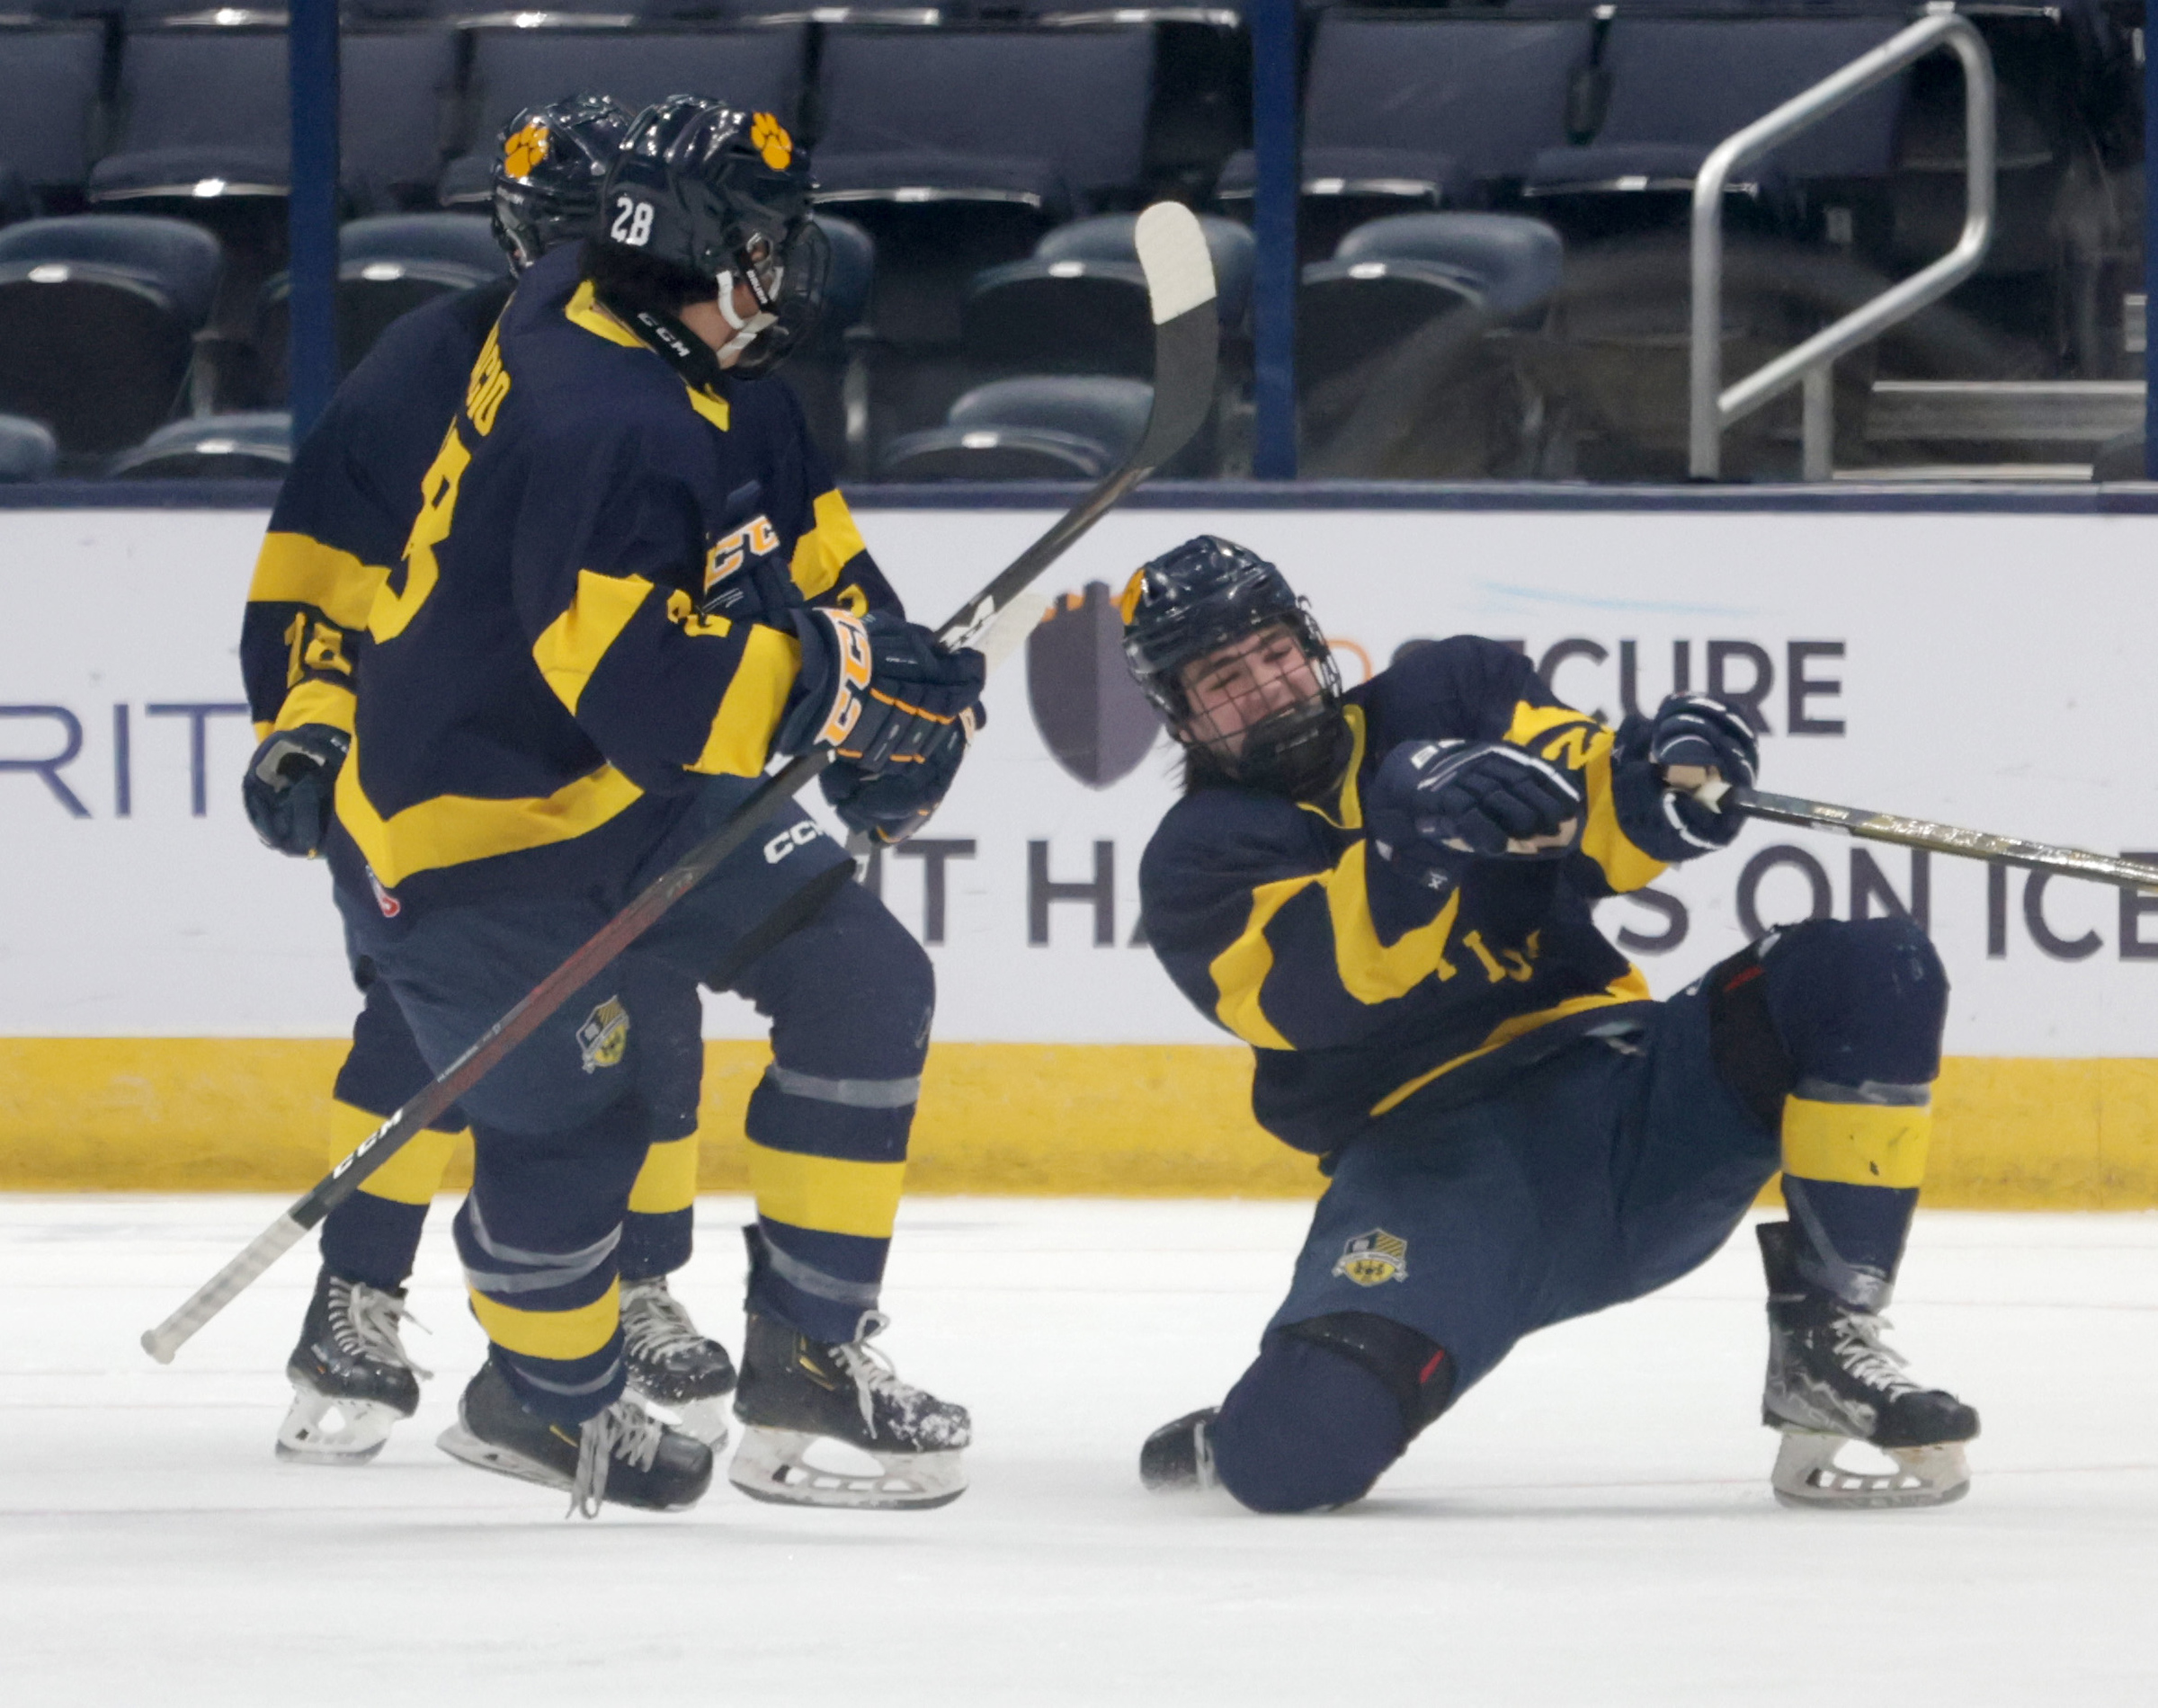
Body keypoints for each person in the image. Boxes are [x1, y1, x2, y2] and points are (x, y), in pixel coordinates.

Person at [304, 94, 979, 1516]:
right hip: (471, 839)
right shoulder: (597, 414)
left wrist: (887, 673)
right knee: (575, 1134)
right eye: (764, 245)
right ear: (691, 249)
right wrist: (834, 690)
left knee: (865, 980)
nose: (784, 271)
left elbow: (810, 562)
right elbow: (641, 689)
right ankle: (540, 1403)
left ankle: (808, 1358)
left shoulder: (671, 350)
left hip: (621, 798)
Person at [1120, 535, 1978, 1514]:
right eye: (1225, 677)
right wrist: (1411, 849)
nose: (1266, 686)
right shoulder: (1198, 860)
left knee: (1872, 963)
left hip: (1636, 1103)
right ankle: (1240, 1426)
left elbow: (1585, 787)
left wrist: (1666, 782)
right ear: (1181, 716)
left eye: (1273, 651)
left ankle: (1828, 1338)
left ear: (1311, 642)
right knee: (1292, 1460)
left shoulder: (1449, 689)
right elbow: (1325, 989)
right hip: (1442, 1179)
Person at [241, 99, 746, 1465]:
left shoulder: (699, 368)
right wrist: (308, 717)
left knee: (650, 1000)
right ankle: (359, 1290)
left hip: (611, 765)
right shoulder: (433, 363)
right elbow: (318, 579)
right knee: (428, 1017)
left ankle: (632, 1285)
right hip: (437, 765)